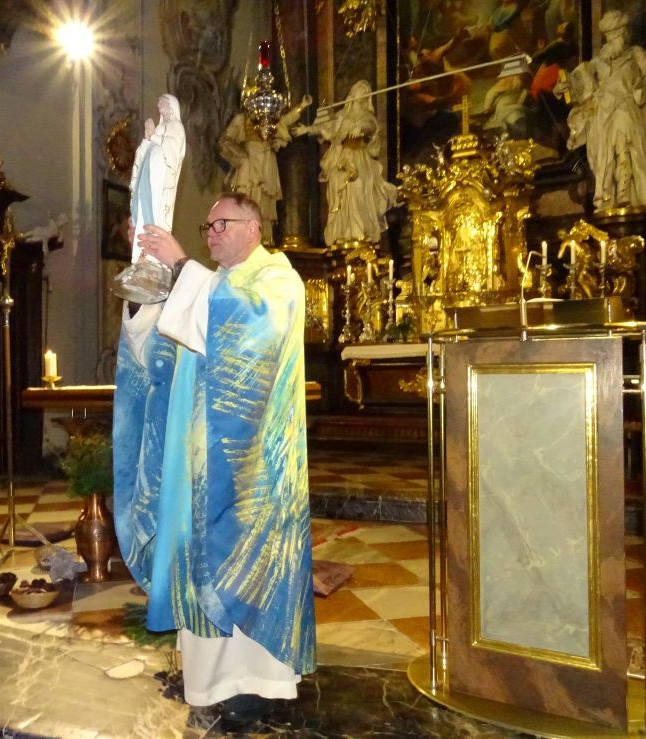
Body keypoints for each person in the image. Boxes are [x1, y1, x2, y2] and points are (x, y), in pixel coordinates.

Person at [113, 192, 316, 730]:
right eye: (207, 227)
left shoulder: (278, 280)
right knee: (196, 561)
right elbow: (157, 350)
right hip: (194, 462)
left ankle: (259, 680)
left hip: (252, 471)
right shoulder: (209, 285)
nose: (212, 234)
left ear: (254, 227)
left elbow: (241, 329)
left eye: (222, 223)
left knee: (242, 562)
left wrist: (181, 267)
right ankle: (210, 681)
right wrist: (146, 286)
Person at [558, 10, 646, 211]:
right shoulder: (597, 63)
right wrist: (564, 86)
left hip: (626, 108)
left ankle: (625, 191)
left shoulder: (637, 55)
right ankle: (609, 194)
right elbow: (579, 85)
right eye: (611, 35)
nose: (615, 38)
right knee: (605, 156)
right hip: (603, 113)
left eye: (618, 33)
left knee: (626, 145)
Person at [296, 80, 398, 246]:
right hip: (342, 158)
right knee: (341, 194)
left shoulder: (367, 116)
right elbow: (326, 128)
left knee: (358, 189)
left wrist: (361, 128)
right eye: (359, 89)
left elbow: (371, 127)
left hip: (359, 159)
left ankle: (360, 232)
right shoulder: (341, 115)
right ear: (353, 92)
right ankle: (344, 232)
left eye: (365, 91)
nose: (361, 93)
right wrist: (307, 129)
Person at [219, 94, 312, 239]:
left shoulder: (269, 118)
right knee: (247, 195)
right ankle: (245, 237)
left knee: (265, 201)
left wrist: (301, 106)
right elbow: (225, 140)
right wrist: (240, 155)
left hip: (267, 161)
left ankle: (265, 238)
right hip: (249, 162)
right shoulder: (242, 119)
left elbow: (285, 121)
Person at [128, 93, 185, 263]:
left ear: (172, 106)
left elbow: (174, 149)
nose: (160, 105)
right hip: (148, 169)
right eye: (159, 102)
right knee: (142, 201)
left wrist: (153, 136)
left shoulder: (176, 126)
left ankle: (152, 251)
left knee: (154, 205)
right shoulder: (160, 127)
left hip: (160, 174)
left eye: (164, 102)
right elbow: (145, 149)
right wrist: (147, 138)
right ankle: (143, 250)